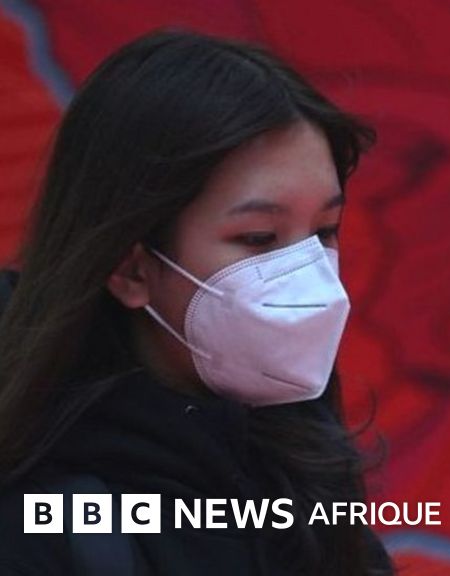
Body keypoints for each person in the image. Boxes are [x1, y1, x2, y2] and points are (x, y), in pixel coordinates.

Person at [0, 31, 392, 575]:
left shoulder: (310, 479)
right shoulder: (42, 530)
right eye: (258, 238)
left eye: (324, 231)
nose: (308, 277)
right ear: (131, 269)